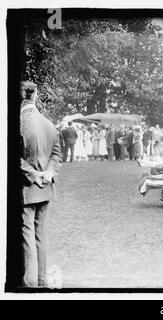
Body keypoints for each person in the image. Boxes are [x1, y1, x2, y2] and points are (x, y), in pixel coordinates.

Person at [19, 81, 62, 287]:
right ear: (35, 95)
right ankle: (42, 281)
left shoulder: (17, 122)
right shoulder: (49, 124)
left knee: (26, 239)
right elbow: (56, 154)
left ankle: (29, 285)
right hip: (45, 188)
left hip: (25, 190)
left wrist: (32, 174)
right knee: (41, 238)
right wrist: (49, 173)